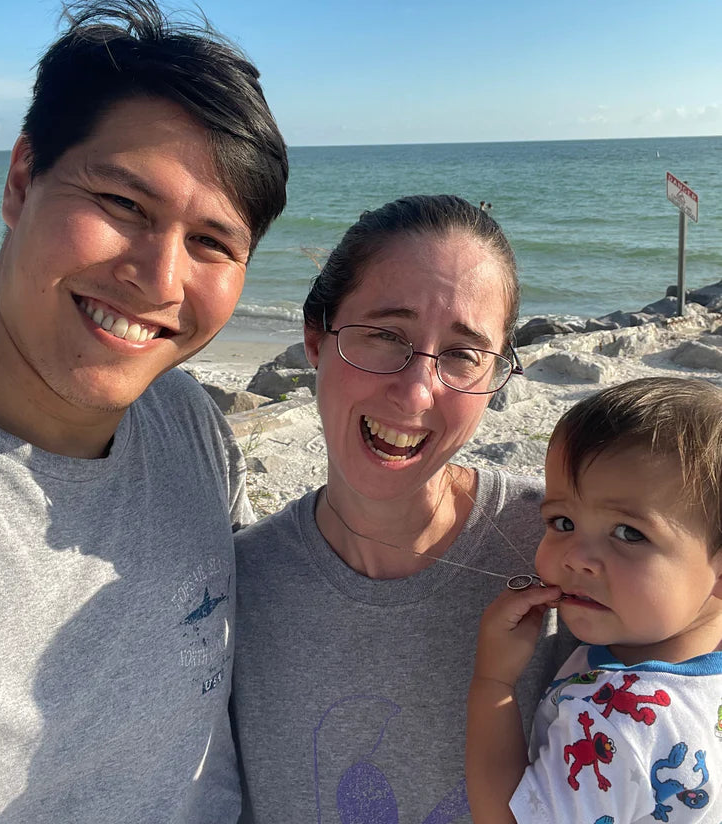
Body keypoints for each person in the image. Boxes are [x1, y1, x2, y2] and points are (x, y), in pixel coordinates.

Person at [0, 0, 288, 823]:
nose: (159, 278)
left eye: (213, 242)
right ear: (21, 179)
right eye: (121, 204)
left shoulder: (185, 419)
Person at [232, 194, 572, 822]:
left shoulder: (565, 552)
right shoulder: (235, 587)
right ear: (315, 339)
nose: (417, 391)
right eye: (387, 336)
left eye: (463, 354)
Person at [466, 377, 722, 823]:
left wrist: (493, 683)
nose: (577, 559)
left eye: (629, 533)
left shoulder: (611, 717)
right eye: (562, 521)